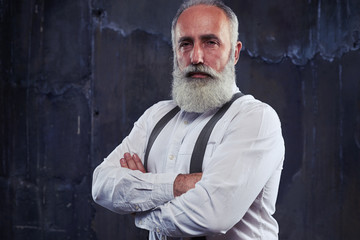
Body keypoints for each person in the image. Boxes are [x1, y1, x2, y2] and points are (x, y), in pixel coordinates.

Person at [92, 0, 285, 239]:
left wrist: (140, 207)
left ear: (234, 53)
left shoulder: (254, 118)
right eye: (185, 44)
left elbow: (213, 214)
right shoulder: (156, 116)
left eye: (210, 42)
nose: (196, 57)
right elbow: (101, 184)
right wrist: (181, 185)